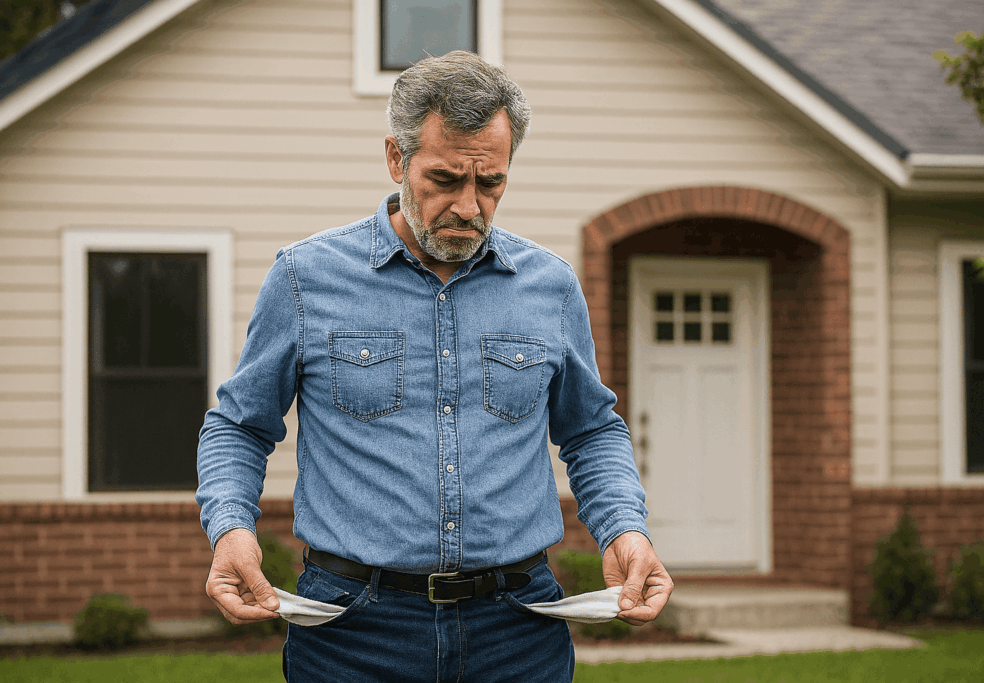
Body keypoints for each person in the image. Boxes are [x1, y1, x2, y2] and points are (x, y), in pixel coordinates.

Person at [196, 50, 673, 682]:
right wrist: (231, 529)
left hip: (518, 629)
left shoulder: (549, 285)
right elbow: (239, 426)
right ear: (396, 158)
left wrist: (625, 530)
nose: (470, 206)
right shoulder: (304, 279)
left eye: (491, 183)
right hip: (352, 631)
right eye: (446, 180)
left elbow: (590, 431)